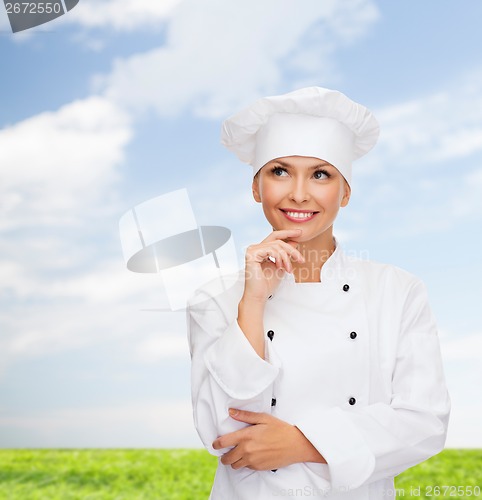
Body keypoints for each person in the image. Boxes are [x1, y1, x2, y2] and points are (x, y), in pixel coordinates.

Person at [187, 87, 451, 499]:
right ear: (256, 187)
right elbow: (223, 434)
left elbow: (424, 421)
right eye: (279, 171)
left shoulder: (397, 291)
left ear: (345, 192)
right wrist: (253, 302)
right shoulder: (215, 299)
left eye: (321, 174)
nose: (298, 193)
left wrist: (304, 444)